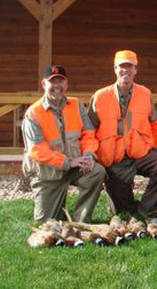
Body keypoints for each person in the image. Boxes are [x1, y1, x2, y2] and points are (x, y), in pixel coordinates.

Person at [88, 50, 157, 218]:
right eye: (122, 67)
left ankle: (146, 208)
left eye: (130, 67)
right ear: (115, 68)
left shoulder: (145, 93)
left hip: (140, 152)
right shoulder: (100, 97)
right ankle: (131, 208)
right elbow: (89, 131)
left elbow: (154, 123)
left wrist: (155, 146)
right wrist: (94, 156)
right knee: (122, 211)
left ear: (136, 70)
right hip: (115, 159)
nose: (126, 71)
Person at [22, 65, 106, 222]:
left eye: (61, 81)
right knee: (46, 222)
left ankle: (80, 220)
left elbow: (89, 134)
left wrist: (88, 156)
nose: (57, 86)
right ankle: (57, 212)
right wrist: (68, 161)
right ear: (43, 84)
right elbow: (37, 151)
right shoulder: (33, 113)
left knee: (97, 172)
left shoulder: (76, 105)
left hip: (75, 168)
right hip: (48, 173)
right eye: (52, 82)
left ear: (66, 84)